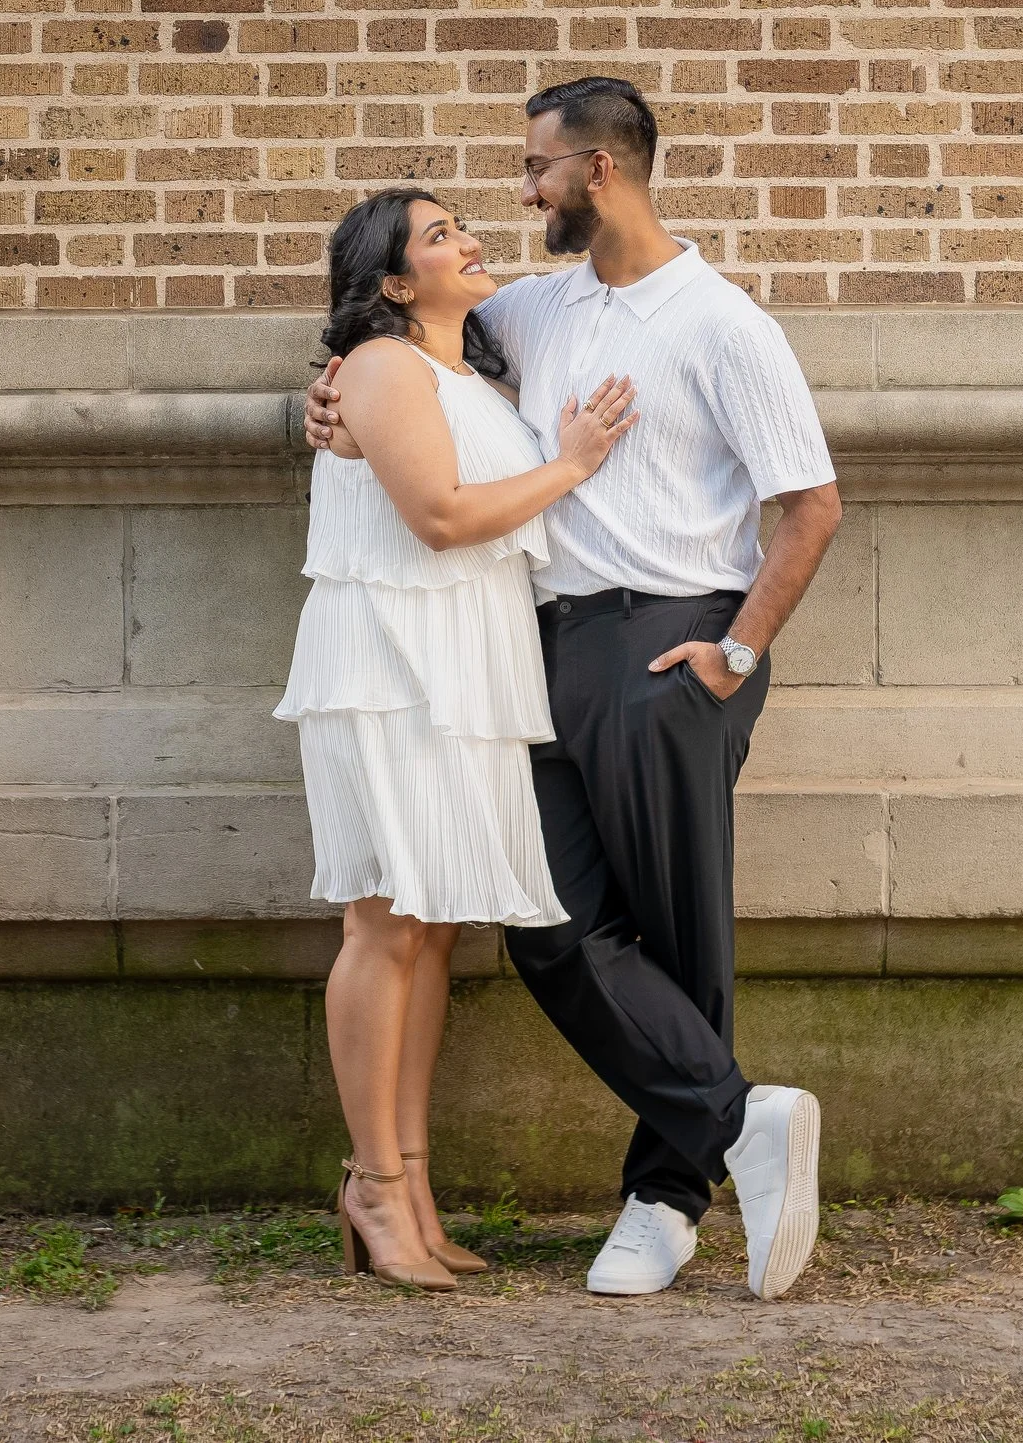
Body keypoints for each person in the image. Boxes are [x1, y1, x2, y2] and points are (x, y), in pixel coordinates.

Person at [305, 76, 844, 1301]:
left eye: (536, 167)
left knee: (677, 919)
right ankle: (739, 1117)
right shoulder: (533, 309)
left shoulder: (721, 322)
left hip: (675, 636)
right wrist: (332, 398)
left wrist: (736, 651)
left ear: (598, 171)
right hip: (542, 644)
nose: (521, 190)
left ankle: (664, 1198)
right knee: (550, 924)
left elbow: (810, 506)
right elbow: (405, 378)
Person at [276, 186, 639, 1291]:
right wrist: (573, 463)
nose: (470, 241)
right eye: (438, 236)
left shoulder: (467, 370)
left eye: (460, 226)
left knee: (429, 930)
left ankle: (413, 1182)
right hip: (392, 658)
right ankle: (373, 1184)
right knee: (385, 922)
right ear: (392, 281)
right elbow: (436, 516)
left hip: (464, 657)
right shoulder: (383, 364)